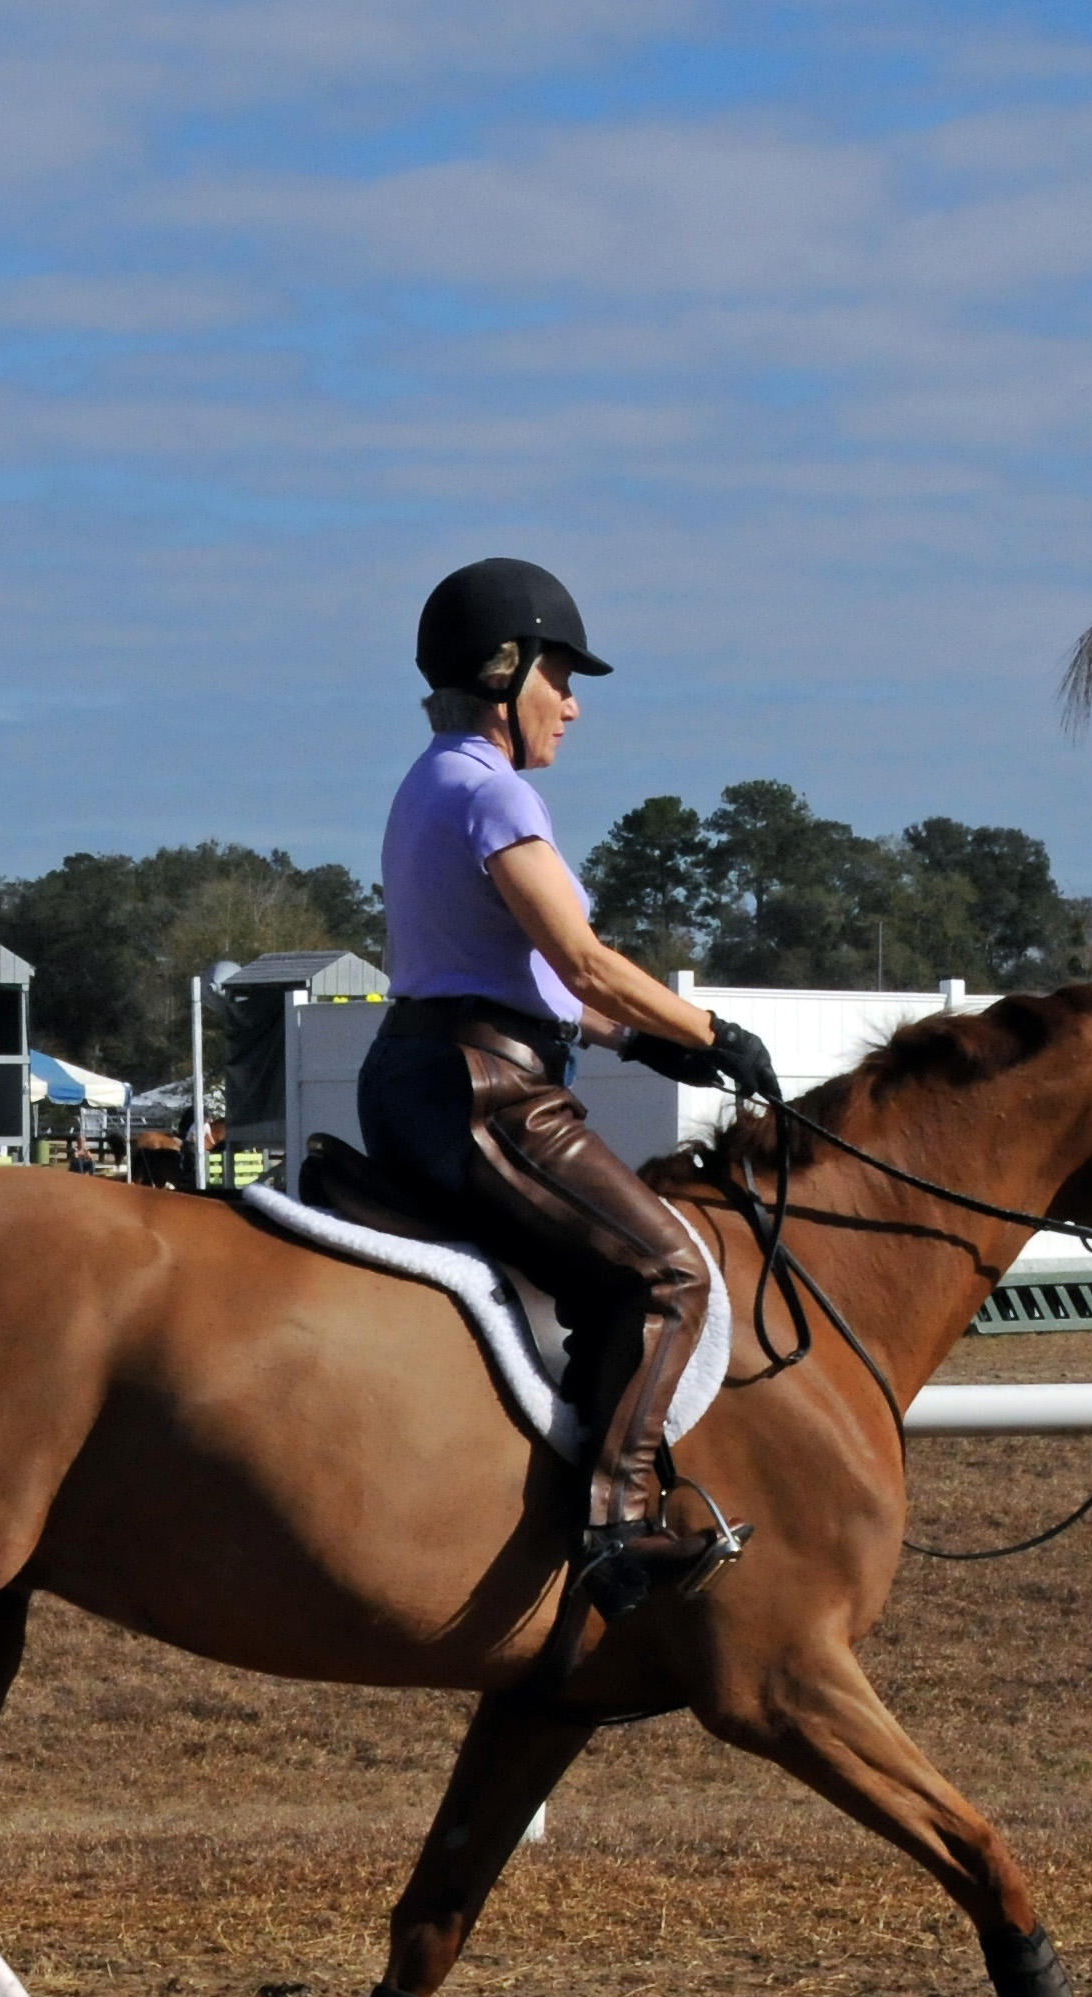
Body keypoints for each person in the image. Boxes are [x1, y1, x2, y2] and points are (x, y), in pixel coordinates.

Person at [355, 558, 777, 1615]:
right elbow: (582, 960)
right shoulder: (496, 794)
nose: (573, 705)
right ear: (504, 673)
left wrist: (644, 1049)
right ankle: (617, 1529)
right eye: (560, 677)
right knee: (674, 1274)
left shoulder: (432, 782)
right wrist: (712, 1030)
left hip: (430, 1068)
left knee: (609, 1274)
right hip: (484, 1092)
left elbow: (531, 981)